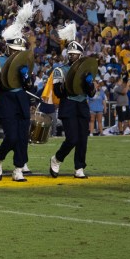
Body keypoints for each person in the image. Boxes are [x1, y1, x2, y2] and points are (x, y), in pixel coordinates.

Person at [0, 4, 36, 182]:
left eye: (18, 51)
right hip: (5, 99)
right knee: (12, 136)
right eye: (13, 50)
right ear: (7, 48)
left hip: (20, 99)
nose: (16, 53)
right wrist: (4, 75)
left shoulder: (25, 62)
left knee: (23, 137)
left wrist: (26, 78)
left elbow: (30, 87)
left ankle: (18, 168)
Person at [48, 40, 92, 179]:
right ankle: (57, 159)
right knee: (72, 138)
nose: (72, 56)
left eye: (75, 54)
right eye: (70, 54)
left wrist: (89, 83)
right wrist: (68, 82)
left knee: (82, 140)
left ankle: (79, 167)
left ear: (80, 55)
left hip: (82, 105)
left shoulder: (87, 71)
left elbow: (91, 93)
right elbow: (58, 93)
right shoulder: (60, 70)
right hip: (68, 105)